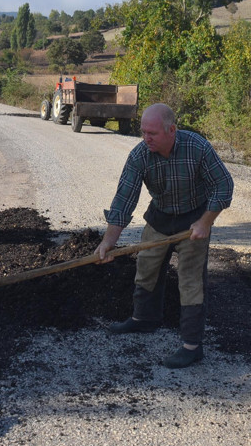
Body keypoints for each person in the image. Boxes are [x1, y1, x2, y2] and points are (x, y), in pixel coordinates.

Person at [95, 103, 234, 369]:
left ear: (172, 130)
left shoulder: (197, 148)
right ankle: (144, 319)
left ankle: (192, 346)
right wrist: (108, 242)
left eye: (153, 133)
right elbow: (124, 199)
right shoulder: (139, 156)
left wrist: (205, 222)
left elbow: (223, 185)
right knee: (146, 266)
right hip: (160, 216)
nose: (146, 138)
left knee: (190, 279)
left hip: (194, 218)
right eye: (143, 132)